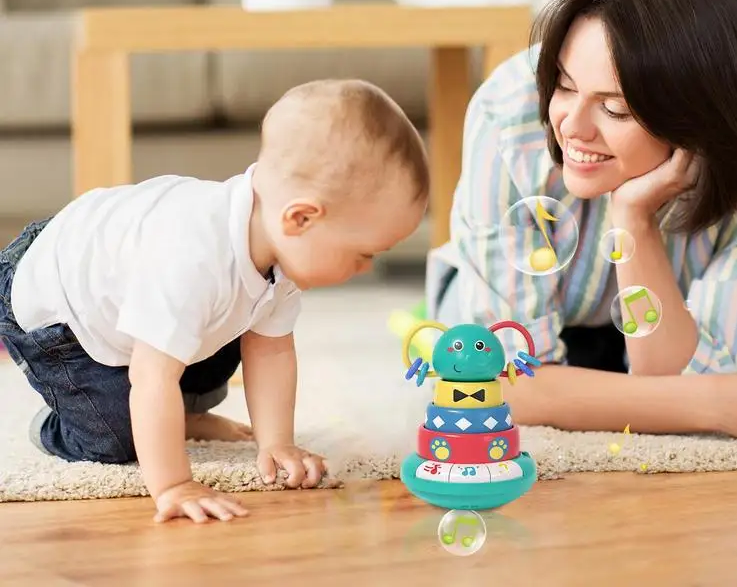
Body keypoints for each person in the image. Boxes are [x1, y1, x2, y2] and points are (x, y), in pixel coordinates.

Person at [0, 79, 428, 523]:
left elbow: (272, 348)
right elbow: (150, 376)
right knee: (118, 433)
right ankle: (60, 426)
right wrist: (173, 485)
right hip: (55, 308)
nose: (364, 268)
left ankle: (181, 414)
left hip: (125, 284)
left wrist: (276, 442)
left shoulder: (278, 247)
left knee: (228, 337)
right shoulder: (193, 258)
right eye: (363, 254)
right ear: (301, 218)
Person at [426, 0, 737, 446]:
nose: (571, 127)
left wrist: (633, 218)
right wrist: (717, 401)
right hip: (548, 317)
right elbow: (501, 384)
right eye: (563, 84)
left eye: (616, 109)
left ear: (698, 120)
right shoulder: (509, 112)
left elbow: (707, 380)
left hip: (662, 330)